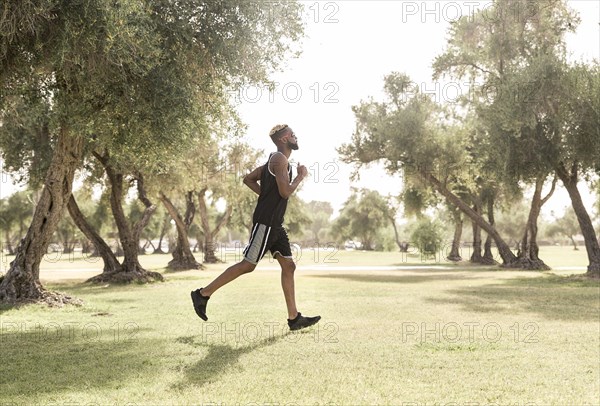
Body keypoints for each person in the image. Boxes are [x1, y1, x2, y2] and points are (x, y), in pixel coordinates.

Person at [191, 124, 321, 331]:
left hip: (276, 225)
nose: (296, 136)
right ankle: (202, 294)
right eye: (292, 134)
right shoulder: (279, 159)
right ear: (284, 139)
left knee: (289, 266)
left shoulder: (276, 160)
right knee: (248, 265)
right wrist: (300, 176)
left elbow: (248, 179)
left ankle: (294, 318)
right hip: (266, 223)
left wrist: (266, 195)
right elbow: (286, 192)